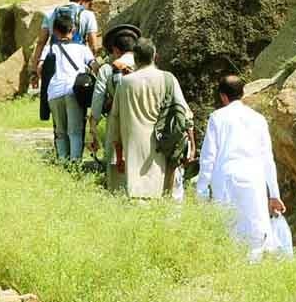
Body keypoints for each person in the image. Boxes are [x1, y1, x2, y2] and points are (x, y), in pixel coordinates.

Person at [195, 74, 287, 256]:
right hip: (253, 177)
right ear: (243, 93)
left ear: (223, 96)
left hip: (225, 177)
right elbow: (267, 158)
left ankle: (231, 264)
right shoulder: (258, 119)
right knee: (256, 226)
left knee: (228, 226)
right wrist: (274, 195)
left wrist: (201, 190)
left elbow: (208, 157)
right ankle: (255, 266)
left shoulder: (217, 117)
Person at [107, 38, 190, 199]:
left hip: (133, 149)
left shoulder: (125, 83)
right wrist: (189, 146)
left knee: (136, 195)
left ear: (135, 59)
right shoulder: (168, 79)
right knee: (162, 193)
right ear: (155, 56)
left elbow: (115, 120)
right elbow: (184, 114)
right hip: (163, 145)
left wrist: (119, 156)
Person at [89, 23, 140, 187]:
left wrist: (93, 127)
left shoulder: (107, 69)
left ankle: (116, 190)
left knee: (114, 161)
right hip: (142, 122)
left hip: (115, 121)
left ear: (116, 50)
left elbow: (97, 98)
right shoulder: (144, 66)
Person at [39, 13, 95, 162]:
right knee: (75, 131)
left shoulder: (50, 49)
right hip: (73, 91)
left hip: (54, 93)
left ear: (55, 32)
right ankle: (75, 162)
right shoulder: (82, 48)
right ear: (73, 29)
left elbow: (41, 69)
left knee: (60, 132)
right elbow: (93, 65)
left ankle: (63, 161)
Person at [24, 0, 101, 93]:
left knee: (51, 103)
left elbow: (41, 42)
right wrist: (90, 62)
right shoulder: (88, 15)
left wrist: (34, 71)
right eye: (90, 4)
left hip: (53, 69)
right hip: (77, 71)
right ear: (83, 0)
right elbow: (93, 44)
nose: (90, 8)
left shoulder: (50, 14)